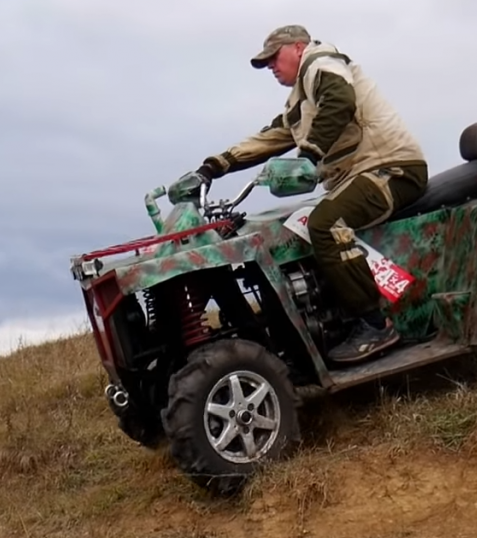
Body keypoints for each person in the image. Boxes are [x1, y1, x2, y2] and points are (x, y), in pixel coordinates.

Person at [170, 25, 430, 364]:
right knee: (297, 224)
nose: (272, 68)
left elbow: (339, 100)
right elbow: (269, 138)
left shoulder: (321, 62)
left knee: (325, 224)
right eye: (266, 65)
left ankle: (375, 325)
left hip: (392, 169)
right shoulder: (300, 102)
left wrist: (308, 156)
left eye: (274, 59)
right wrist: (211, 168)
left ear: (298, 47)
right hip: (360, 176)